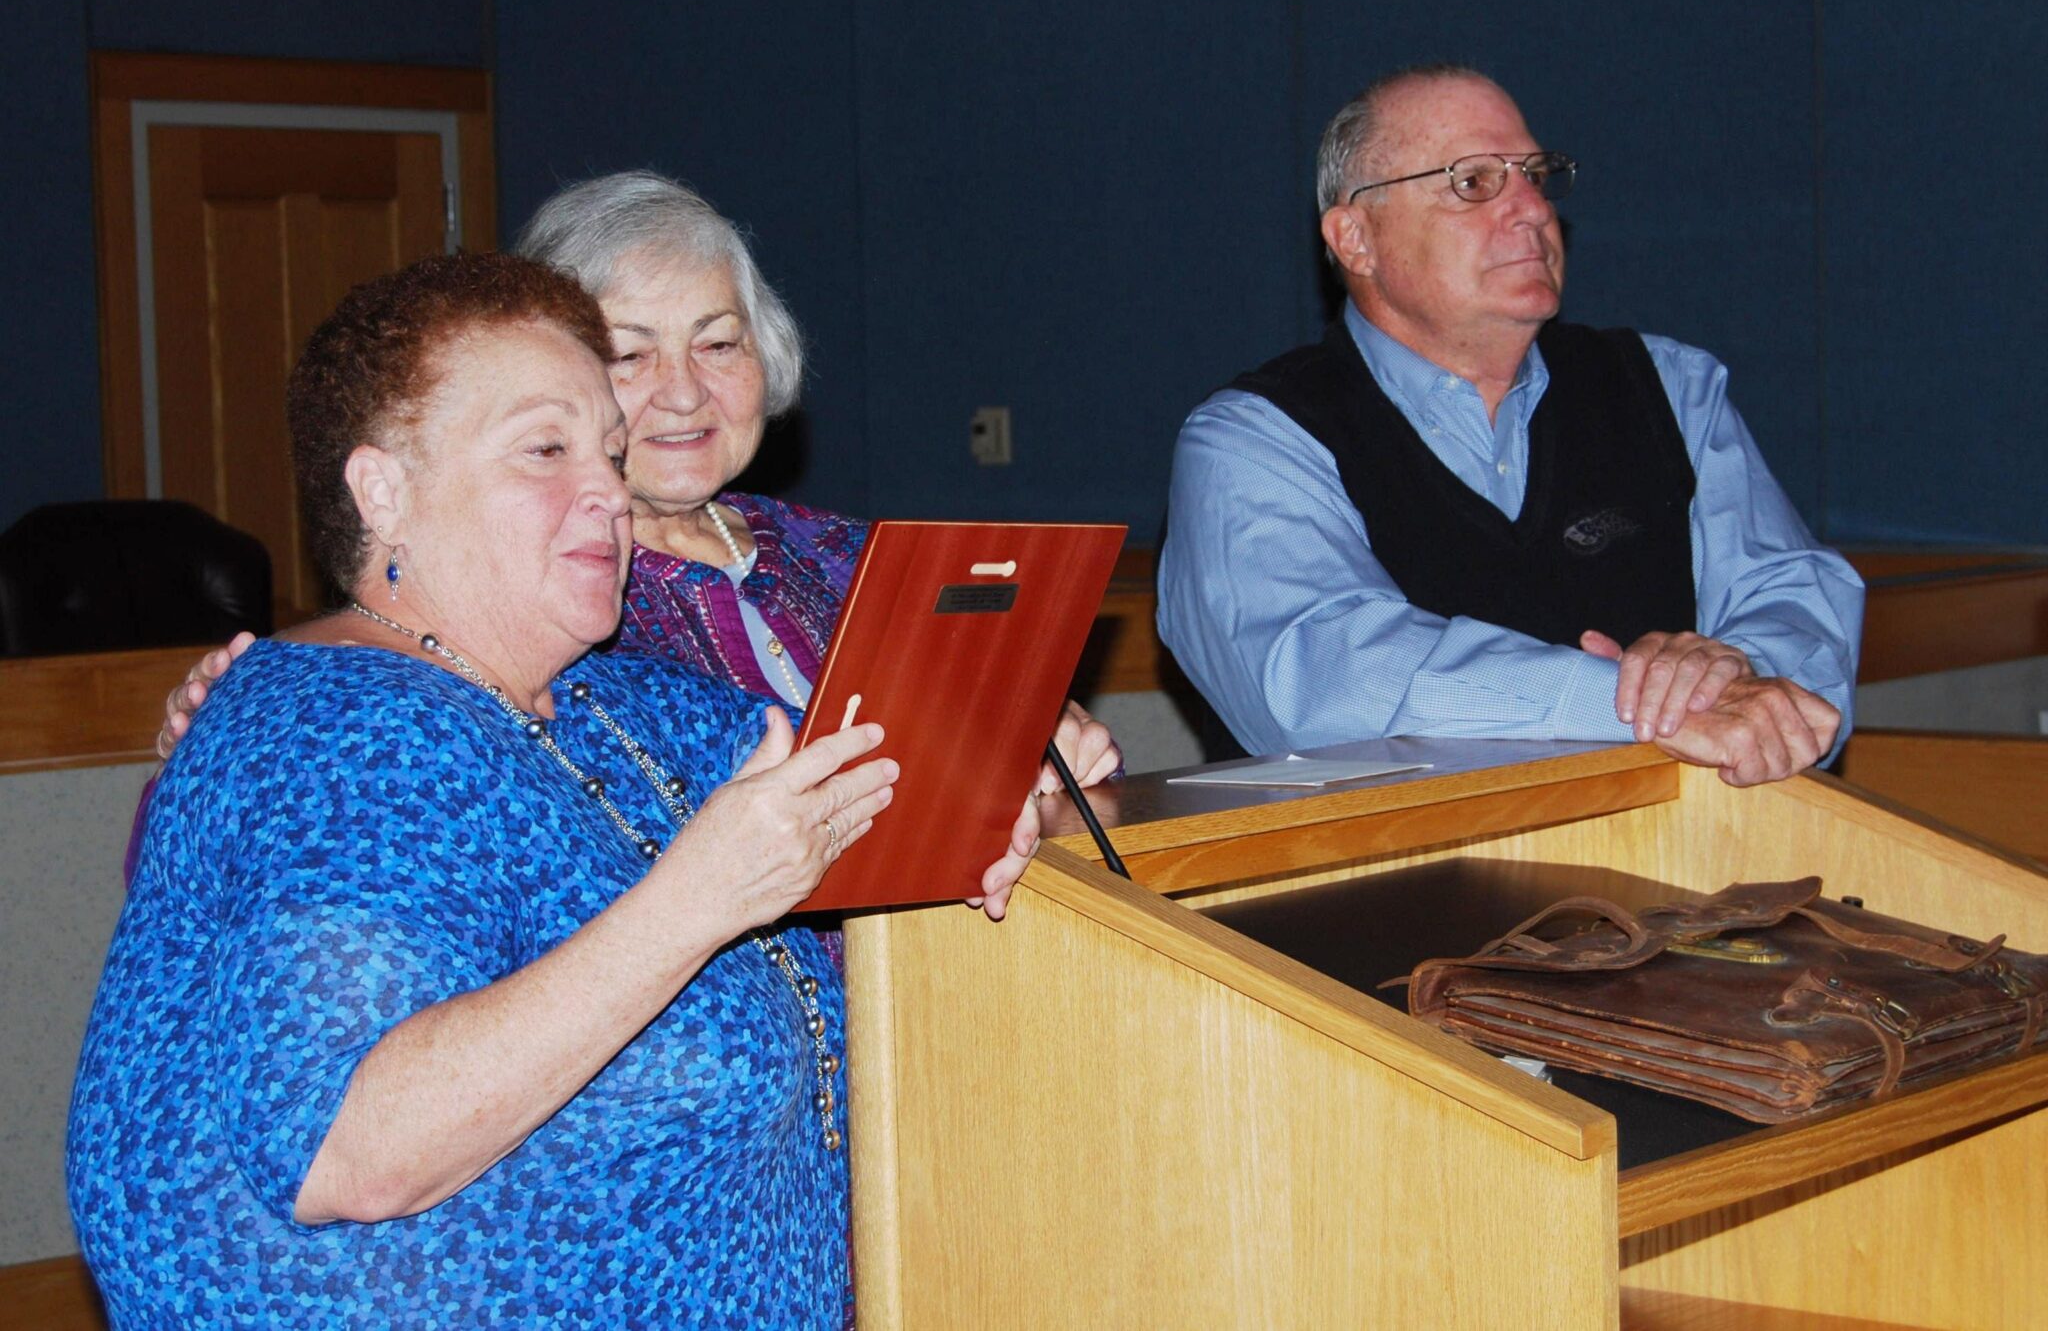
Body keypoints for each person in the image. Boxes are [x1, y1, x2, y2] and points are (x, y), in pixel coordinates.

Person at [69, 253, 1028, 1325]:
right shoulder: (327, 730)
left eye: (610, 455)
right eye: (545, 450)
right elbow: (348, 1150)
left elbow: (884, 783)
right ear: (383, 489)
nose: (608, 493)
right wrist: (693, 901)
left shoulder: (615, 706)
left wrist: (1009, 778)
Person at [152, 172, 1120, 852]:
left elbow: (956, 758)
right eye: (631, 353)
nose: (684, 393)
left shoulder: (840, 550)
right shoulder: (555, 600)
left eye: (715, 342)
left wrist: (1031, 739)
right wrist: (224, 713)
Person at [1157, 65, 1863, 787]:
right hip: (1377, 889)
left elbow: (1794, 593)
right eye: (1473, 182)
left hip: (1688, 886)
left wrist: (1738, 673)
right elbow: (1320, 677)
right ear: (1355, 238)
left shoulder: (1670, 387)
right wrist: (1635, 707)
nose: (1531, 207)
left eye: (1538, 174)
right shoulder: (1254, 440)